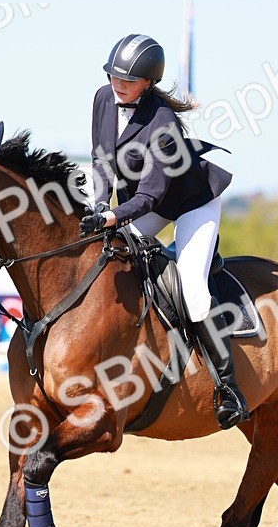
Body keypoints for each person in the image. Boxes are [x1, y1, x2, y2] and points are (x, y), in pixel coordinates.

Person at [79, 33, 250, 429]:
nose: (116, 84)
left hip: (191, 203)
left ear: (149, 83)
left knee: (191, 288)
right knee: (108, 254)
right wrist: (102, 204)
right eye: (112, 75)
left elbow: (151, 196)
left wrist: (112, 217)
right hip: (141, 202)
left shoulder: (163, 122)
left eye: (127, 79)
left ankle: (229, 388)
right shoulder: (103, 99)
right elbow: (101, 159)